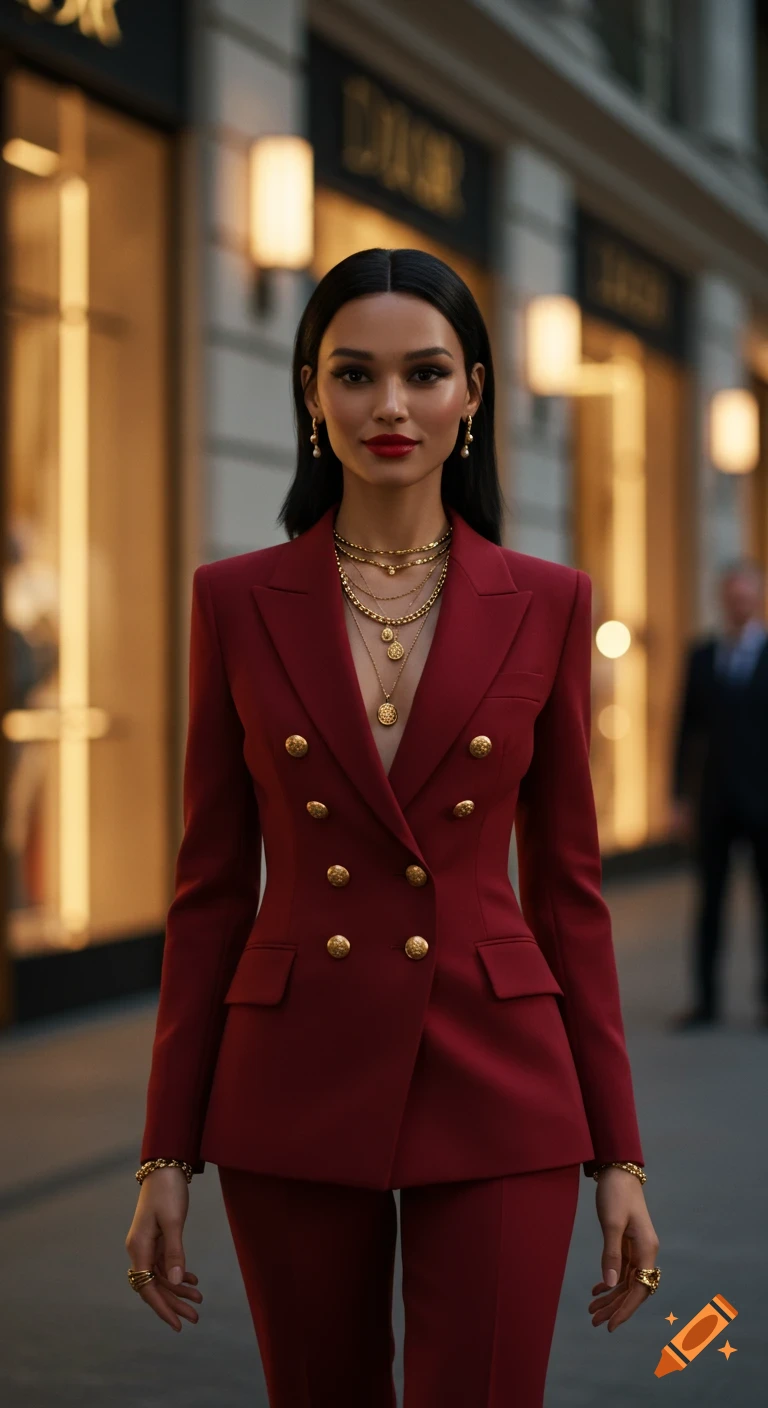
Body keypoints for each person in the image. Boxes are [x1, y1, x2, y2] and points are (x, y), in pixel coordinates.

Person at [125, 248, 659, 1407]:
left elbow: (569, 891)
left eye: (423, 373)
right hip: (293, 1070)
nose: (390, 407)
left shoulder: (552, 601)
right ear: (313, 394)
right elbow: (210, 887)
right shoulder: (234, 598)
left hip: (504, 1074)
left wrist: (619, 1152)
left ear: (472, 390)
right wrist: (166, 1150)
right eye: (354, 375)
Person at [671, 558, 768, 1030]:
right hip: (715, 802)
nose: (739, 603)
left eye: (747, 595)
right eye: (732, 596)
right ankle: (706, 1001)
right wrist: (678, 797)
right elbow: (684, 731)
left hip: (765, 802)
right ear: (722, 600)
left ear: (758, 598)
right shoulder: (702, 656)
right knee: (709, 903)